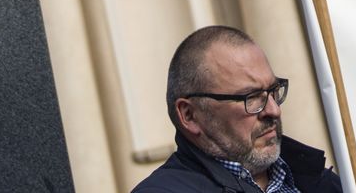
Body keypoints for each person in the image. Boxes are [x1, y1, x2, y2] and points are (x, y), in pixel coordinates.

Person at [134, 26, 344, 192]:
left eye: (273, 91)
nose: (273, 110)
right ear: (190, 116)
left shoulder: (318, 180)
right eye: (251, 97)